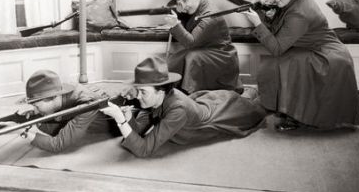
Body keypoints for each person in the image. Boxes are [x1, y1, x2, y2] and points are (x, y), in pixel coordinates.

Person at [242, 0, 359, 131]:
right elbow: (285, 30)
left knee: (280, 64)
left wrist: (257, 24)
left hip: (327, 57)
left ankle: (294, 116)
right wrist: (270, 17)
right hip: (316, 49)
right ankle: (354, 99)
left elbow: (277, 48)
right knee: (277, 65)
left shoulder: (299, 12)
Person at [100, 56, 266, 158]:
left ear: (160, 91)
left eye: (143, 92)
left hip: (224, 112)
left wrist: (120, 120)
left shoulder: (177, 110)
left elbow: (144, 149)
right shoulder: (155, 99)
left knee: (258, 106)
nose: (138, 96)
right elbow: (139, 134)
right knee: (246, 95)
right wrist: (128, 119)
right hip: (207, 101)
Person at [18, 69, 135, 153]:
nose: (34, 110)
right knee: (44, 124)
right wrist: (35, 115)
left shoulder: (86, 105)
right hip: (101, 98)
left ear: (52, 97)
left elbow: (58, 145)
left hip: (121, 126)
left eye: (37, 106)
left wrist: (23, 132)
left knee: (50, 129)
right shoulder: (63, 92)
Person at [163, 0, 243, 94]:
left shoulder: (210, 14)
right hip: (205, 52)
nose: (183, 6)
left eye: (185, 1)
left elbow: (191, 42)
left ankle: (189, 94)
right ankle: (171, 91)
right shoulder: (194, 8)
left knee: (191, 57)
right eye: (180, 3)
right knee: (174, 59)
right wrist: (178, 13)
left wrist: (175, 24)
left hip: (221, 57)